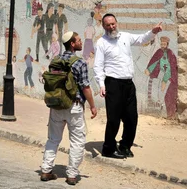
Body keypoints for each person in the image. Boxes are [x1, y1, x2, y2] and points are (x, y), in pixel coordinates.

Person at [93, 14, 163, 159]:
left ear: (116, 23)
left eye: (113, 24)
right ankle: (108, 148)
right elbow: (98, 66)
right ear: (103, 26)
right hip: (112, 83)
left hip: (128, 83)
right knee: (114, 119)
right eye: (108, 25)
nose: (111, 27)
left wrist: (153, 31)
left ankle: (125, 146)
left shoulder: (125, 37)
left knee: (132, 117)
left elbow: (142, 39)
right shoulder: (101, 43)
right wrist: (101, 84)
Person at [40, 31, 97, 185]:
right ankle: (71, 175)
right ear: (72, 44)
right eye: (78, 41)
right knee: (77, 141)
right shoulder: (80, 63)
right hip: (74, 106)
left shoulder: (55, 60)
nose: (81, 43)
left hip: (56, 106)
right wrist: (92, 106)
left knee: (53, 139)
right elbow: (85, 87)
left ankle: (46, 170)